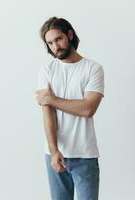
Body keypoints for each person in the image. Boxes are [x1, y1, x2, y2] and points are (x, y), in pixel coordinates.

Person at [36, 17, 105, 200]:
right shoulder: (47, 70)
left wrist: (51, 99)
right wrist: (54, 150)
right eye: (50, 43)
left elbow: (88, 109)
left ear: (70, 35)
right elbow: (47, 112)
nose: (55, 46)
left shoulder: (93, 69)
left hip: (85, 154)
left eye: (58, 39)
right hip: (55, 153)